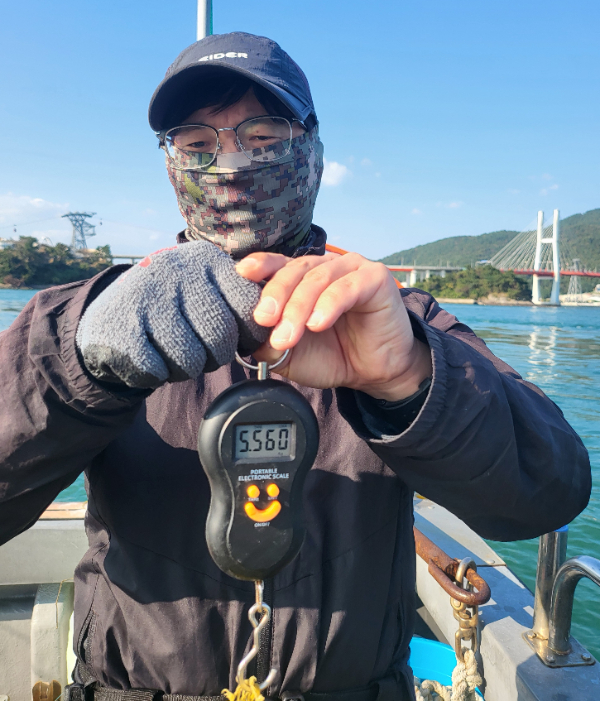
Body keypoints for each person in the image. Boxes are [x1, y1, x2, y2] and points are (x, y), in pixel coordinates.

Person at [0, 32, 591, 701]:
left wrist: (408, 381)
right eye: (197, 144)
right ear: (170, 163)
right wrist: (81, 366)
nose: (230, 164)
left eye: (263, 137)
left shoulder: (402, 321)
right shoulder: (95, 323)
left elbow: (549, 491)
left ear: (313, 152)